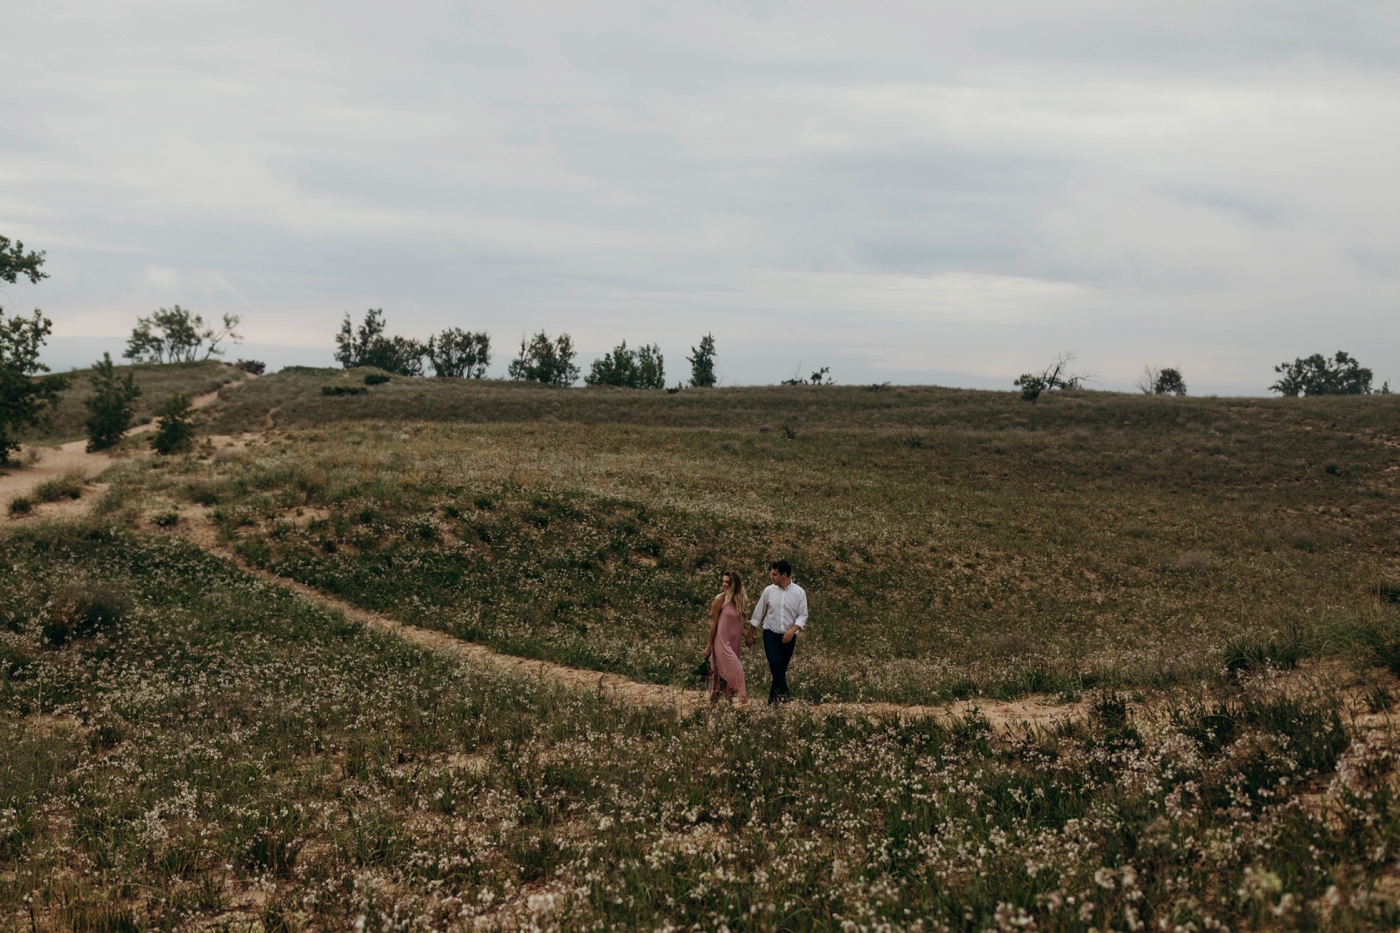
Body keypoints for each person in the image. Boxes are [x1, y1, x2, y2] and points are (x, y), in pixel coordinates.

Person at [749, 560, 807, 704]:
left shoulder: (799, 592)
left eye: (775, 574)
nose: (772, 577)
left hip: (789, 636)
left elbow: (803, 615)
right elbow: (759, 612)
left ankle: (771, 703)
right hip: (770, 633)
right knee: (775, 663)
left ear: (784, 575)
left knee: (781, 669)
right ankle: (785, 695)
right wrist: (750, 633)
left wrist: (792, 630)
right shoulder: (768, 591)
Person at [702, 570, 753, 705]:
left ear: (735, 584)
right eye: (723, 581)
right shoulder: (720, 599)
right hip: (721, 642)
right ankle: (738, 702)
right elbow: (714, 624)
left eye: (727, 582)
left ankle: (726, 704)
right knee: (736, 670)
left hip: (734, 643)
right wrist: (708, 647)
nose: (724, 584)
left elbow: (737, 624)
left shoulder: (742, 601)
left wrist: (748, 635)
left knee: (725, 675)